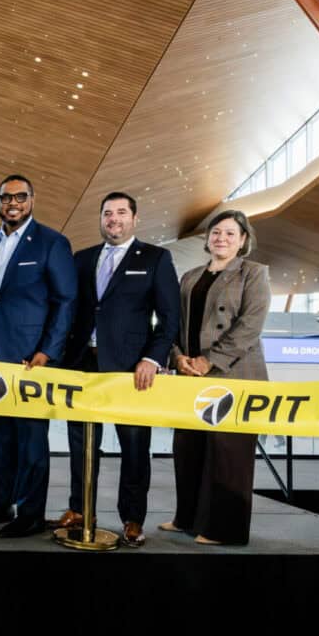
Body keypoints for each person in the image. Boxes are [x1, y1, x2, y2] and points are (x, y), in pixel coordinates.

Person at [61, 191, 180, 547]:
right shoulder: (82, 259)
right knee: (82, 444)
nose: (113, 219)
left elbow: (170, 318)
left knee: (133, 446)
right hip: (83, 363)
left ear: (134, 218)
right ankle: (81, 510)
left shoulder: (156, 258)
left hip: (132, 370)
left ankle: (132, 518)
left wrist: (152, 358)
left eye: (121, 213)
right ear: (100, 219)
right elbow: (71, 311)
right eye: (107, 213)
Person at [0, 175, 76, 538]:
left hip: (32, 360)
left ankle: (31, 514)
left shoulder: (52, 243)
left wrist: (48, 351)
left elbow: (65, 302)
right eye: (5, 197)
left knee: (31, 441)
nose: (12, 203)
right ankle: (3, 505)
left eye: (20, 196)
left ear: (32, 199)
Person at [163, 209, 269, 545]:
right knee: (188, 449)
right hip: (190, 375)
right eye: (216, 232)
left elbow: (250, 326)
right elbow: (175, 323)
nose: (221, 238)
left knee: (229, 456)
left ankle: (224, 529)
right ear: (207, 238)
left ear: (243, 241)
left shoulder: (253, 273)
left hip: (235, 374)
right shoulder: (190, 276)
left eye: (229, 233)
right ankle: (187, 518)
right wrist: (178, 357)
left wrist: (211, 360)